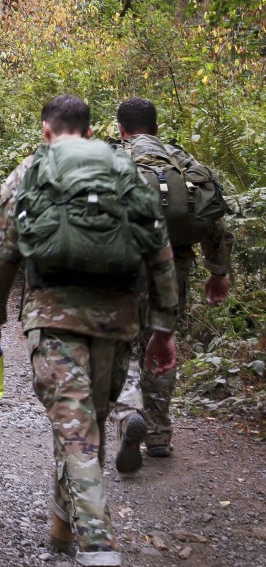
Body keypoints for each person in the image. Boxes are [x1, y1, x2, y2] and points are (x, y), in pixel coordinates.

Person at [0, 95, 179, 567]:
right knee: (90, 425)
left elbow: (0, 249)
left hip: (55, 317)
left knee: (75, 432)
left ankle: (101, 560)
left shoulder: (31, 170)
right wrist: (164, 326)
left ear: (47, 132)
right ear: (90, 132)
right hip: (119, 320)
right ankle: (63, 521)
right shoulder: (123, 167)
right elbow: (159, 246)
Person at [111, 97, 232, 460]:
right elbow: (215, 220)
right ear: (157, 128)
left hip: (121, 271)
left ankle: (131, 413)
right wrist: (218, 273)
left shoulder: (112, 158)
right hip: (172, 271)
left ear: (121, 129)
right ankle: (160, 433)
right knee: (160, 344)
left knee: (118, 347)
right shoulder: (181, 161)